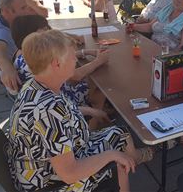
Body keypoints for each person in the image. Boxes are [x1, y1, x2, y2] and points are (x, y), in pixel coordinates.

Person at [8, 29, 154, 192]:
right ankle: (130, 159)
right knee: (117, 162)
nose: (75, 60)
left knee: (120, 133)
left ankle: (133, 157)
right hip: (49, 182)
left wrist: (91, 111)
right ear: (57, 64)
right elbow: (69, 174)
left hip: (51, 160)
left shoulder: (37, 85)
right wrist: (111, 155)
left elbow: (59, 118)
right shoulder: (49, 111)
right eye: (72, 56)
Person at [10, 15, 110, 129]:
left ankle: (97, 112)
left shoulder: (26, 56)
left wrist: (84, 52)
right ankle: (93, 126)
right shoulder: (52, 106)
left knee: (92, 81)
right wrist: (98, 61)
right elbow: (74, 76)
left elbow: (54, 59)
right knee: (98, 84)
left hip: (57, 104)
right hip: (68, 118)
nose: (48, 31)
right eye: (44, 29)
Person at [0, 0, 41, 93]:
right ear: (6, 12)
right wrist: (7, 68)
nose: (27, 11)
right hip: (25, 79)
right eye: (23, 8)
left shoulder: (18, 21)